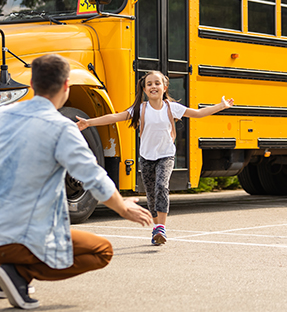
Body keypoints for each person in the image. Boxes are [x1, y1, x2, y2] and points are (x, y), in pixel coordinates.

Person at [0, 54, 152, 310]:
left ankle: (10, 273)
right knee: (101, 251)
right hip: (20, 232)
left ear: (33, 85)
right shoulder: (61, 127)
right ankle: (15, 272)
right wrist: (123, 207)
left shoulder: (3, 116)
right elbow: (92, 176)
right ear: (66, 86)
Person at [76, 70, 234, 246]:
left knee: (161, 186)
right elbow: (115, 117)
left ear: (164, 87)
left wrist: (221, 106)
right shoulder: (140, 109)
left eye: (157, 83)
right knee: (151, 195)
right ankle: (156, 229)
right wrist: (89, 122)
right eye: (149, 84)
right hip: (147, 157)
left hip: (166, 155)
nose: (153, 86)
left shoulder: (171, 108)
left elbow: (197, 114)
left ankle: (161, 227)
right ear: (144, 89)